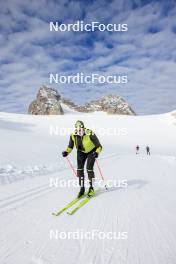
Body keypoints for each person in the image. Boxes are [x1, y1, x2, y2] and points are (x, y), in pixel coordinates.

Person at [62, 120, 102, 198]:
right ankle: (82, 188)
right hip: (80, 152)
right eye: (78, 130)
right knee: (79, 170)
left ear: (84, 128)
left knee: (89, 169)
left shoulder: (90, 133)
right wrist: (67, 152)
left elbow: (99, 146)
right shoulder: (73, 135)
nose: (79, 131)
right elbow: (70, 146)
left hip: (91, 151)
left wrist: (97, 152)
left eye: (81, 129)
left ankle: (91, 188)